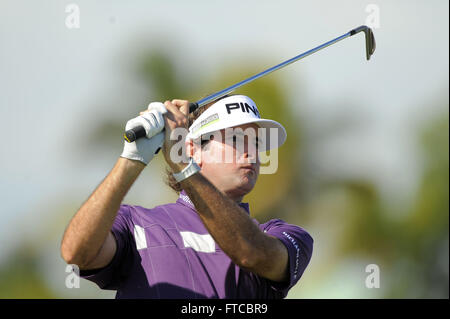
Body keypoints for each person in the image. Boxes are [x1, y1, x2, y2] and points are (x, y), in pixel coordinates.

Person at [60, 94, 313, 298]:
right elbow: (76, 252)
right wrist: (131, 159)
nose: (252, 154)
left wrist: (184, 168)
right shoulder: (134, 223)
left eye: (256, 142)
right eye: (236, 140)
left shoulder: (283, 235)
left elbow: (250, 252)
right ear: (193, 149)